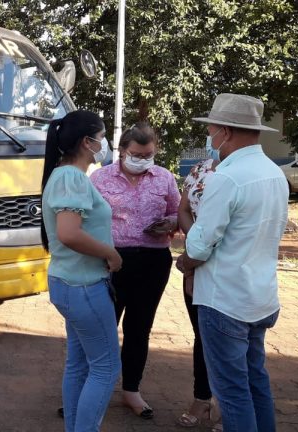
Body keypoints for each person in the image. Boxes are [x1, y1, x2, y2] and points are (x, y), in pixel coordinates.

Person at [176, 93, 288, 432]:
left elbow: (201, 243)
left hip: (225, 301)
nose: (209, 137)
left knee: (233, 392)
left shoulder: (227, 177)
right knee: (256, 382)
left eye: (211, 130)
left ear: (225, 131)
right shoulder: (274, 174)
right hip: (259, 296)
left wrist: (185, 263)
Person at [90, 122, 180, 419]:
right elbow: (87, 219)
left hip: (153, 261)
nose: (143, 159)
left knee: (139, 328)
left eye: (148, 154)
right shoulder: (100, 178)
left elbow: (177, 212)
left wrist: (169, 223)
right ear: (122, 151)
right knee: (102, 327)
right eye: (137, 154)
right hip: (111, 261)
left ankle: (131, 390)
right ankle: (91, 390)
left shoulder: (164, 178)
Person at [41, 110, 122, 432]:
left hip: (72, 284)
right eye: (102, 138)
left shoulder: (65, 176)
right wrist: (110, 253)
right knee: (106, 367)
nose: (105, 144)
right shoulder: (71, 177)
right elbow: (69, 233)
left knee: (80, 364)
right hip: (84, 286)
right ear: (87, 142)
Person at [176, 146, 223, 430]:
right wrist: (196, 246)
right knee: (202, 335)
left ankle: (227, 404)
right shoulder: (200, 169)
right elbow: (183, 209)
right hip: (196, 264)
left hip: (228, 269)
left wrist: (198, 253)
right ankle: (202, 398)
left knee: (228, 339)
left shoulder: (246, 173)